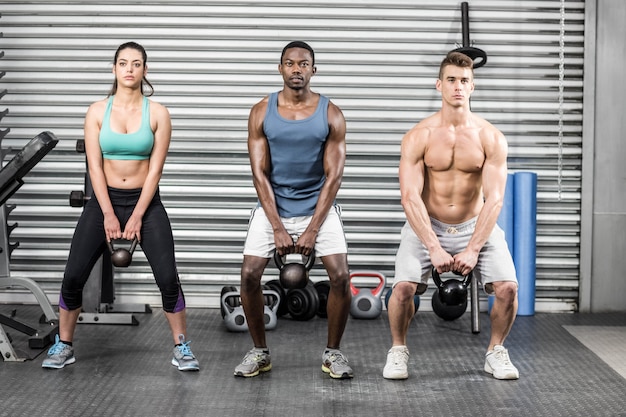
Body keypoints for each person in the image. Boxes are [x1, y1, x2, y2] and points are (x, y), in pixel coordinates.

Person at [42, 42, 199, 371]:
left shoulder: (157, 113)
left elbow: (155, 170)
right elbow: (95, 167)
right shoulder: (97, 111)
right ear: (114, 69)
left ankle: (182, 347)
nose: (130, 68)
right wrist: (109, 214)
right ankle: (64, 344)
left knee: (168, 278)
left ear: (145, 70)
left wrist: (139, 214)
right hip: (103, 203)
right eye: (123, 63)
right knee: (72, 277)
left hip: (145, 202)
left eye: (137, 63)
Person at [382, 51, 519, 380]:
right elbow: (409, 196)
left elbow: (495, 199)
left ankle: (495, 351)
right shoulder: (419, 136)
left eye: (465, 81)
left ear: (473, 87)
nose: (458, 87)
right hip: (426, 225)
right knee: (402, 289)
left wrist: (473, 247)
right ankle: (398, 350)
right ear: (438, 85)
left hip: (475, 225)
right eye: (452, 80)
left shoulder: (490, 137)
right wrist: (433, 246)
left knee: (508, 288)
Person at [234, 41, 353, 379]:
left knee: (341, 277)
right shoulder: (261, 111)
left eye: (304, 64)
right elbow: (259, 174)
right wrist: (277, 226)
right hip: (274, 206)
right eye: (290, 63)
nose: (297, 69)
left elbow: (334, 176)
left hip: (319, 205)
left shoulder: (331, 113)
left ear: (313, 70)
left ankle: (333, 353)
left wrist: (313, 228)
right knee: (248, 275)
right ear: (280, 68)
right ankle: (259, 352)